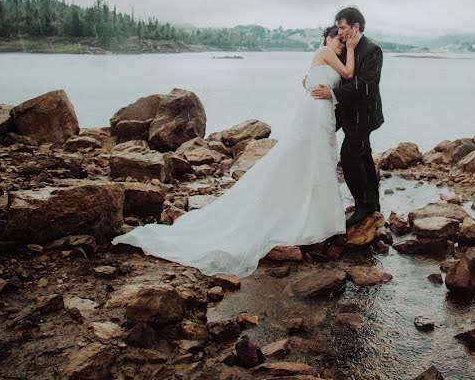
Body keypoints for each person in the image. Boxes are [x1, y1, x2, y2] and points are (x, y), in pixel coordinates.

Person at [111, 25, 362, 277]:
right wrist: (350, 48)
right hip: (315, 112)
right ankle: (314, 219)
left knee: (314, 159)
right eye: (337, 39)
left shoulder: (328, 57)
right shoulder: (327, 52)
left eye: (343, 41)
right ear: (326, 38)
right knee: (307, 158)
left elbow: (320, 81)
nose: (341, 44)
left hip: (322, 112)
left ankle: (316, 216)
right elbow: (348, 74)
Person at [311, 6, 384, 227]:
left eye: (343, 27)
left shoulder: (372, 50)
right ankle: (373, 203)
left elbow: (364, 85)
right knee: (363, 157)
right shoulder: (346, 48)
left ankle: (363, 206)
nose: (340, 32)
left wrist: (332, 94)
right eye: (339, 28)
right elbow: (334, 71)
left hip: (364, 115)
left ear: (355, 26)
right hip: (347, 114)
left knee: (350, 156)